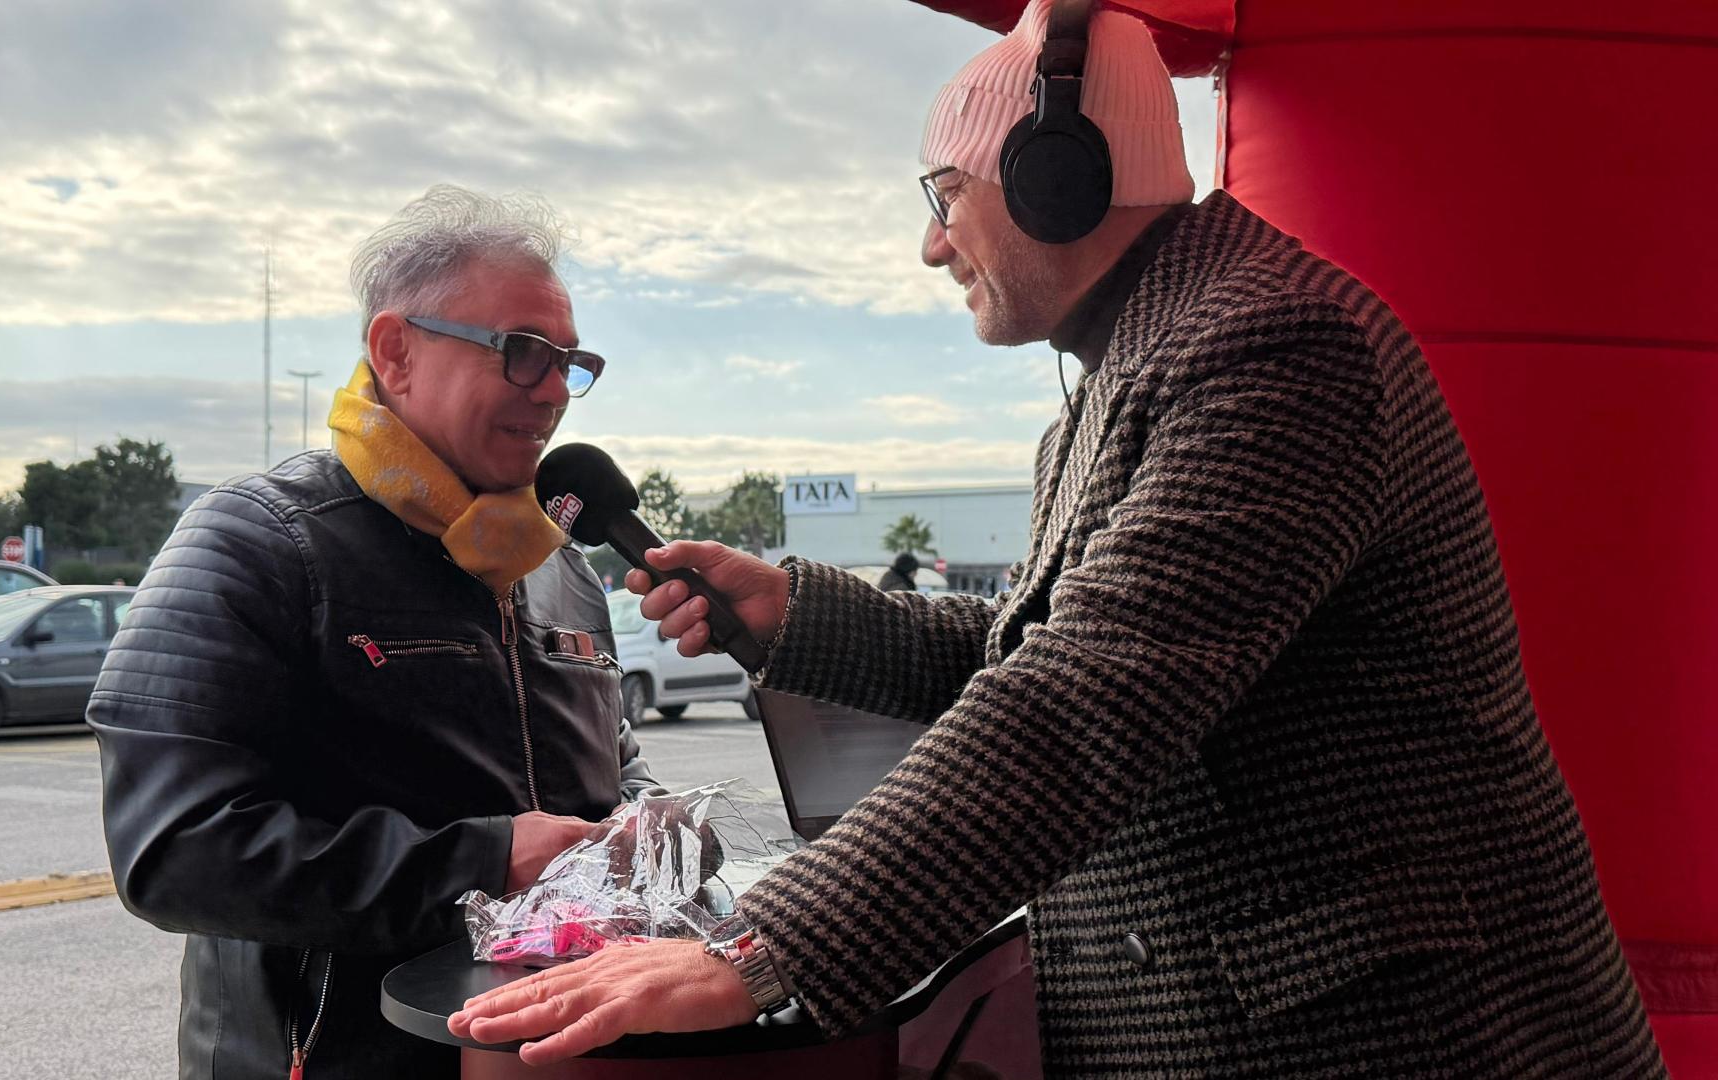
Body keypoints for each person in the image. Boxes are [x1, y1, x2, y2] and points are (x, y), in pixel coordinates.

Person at [447, 3, 1665, 1076]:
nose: (932, 245)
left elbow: (1084, 700)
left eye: (943, 195)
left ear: (1054, 178)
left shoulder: (1276, 350)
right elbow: (1037, 647)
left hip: (1397, 1039)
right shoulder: (1134, 374)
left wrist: (764, 946)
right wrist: (800, 614)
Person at [89, 185, 663, 1080]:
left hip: (555, 1056)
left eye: (569, 361)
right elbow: (175, 851)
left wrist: (647, 820)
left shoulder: (559, 566)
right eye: (522, 353)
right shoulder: (258, 541)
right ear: (396, 351)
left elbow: (610, 767)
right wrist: (484, 862)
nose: (555, 391)